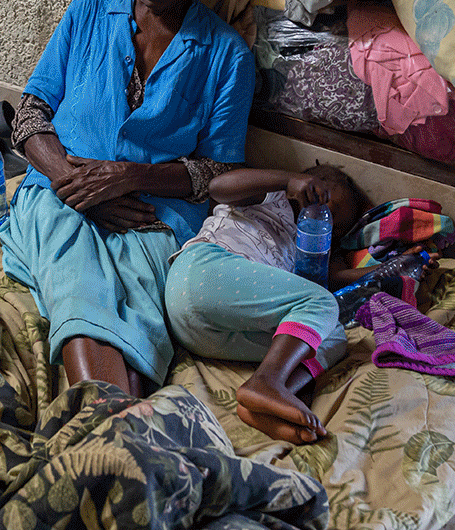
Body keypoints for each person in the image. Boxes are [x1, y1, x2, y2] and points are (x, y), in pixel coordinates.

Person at [0, 0, 257, 396]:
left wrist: (127, 176)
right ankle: (107, 416)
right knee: (73, 275)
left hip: (153, 211)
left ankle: (114, 419)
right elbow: (30, 115)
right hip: (59, 190)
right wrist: (82, 189)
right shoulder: (87, 12)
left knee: (139, 298)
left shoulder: (226, 53)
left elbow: (220, 171)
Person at [163, 165, 439, 445]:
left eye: (336, 226)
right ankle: (266, 382)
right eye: (327, 201)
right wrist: (288, 179)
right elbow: (218, 188)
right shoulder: (274, 198)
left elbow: (331, 278)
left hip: (206, 334)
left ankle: (266, 398)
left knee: (332, 337)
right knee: (324, 303)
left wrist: (395, 267)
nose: (326, 220)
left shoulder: (307, 251)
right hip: (203, 271)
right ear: (313, 182)